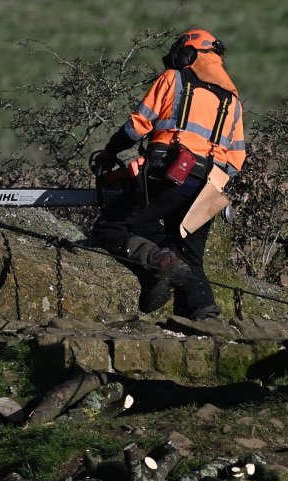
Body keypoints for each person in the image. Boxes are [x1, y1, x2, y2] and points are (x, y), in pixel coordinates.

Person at [92, 28, 246, 321]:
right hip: (210, 187)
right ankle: (205, 315)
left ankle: (160, 262)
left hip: (171, 175)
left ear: (188, 54)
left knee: (109, 226)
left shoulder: (173, 79)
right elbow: (236, 160)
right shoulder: (233, 103)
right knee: (189, 253)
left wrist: (110, 153)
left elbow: (136, 127)